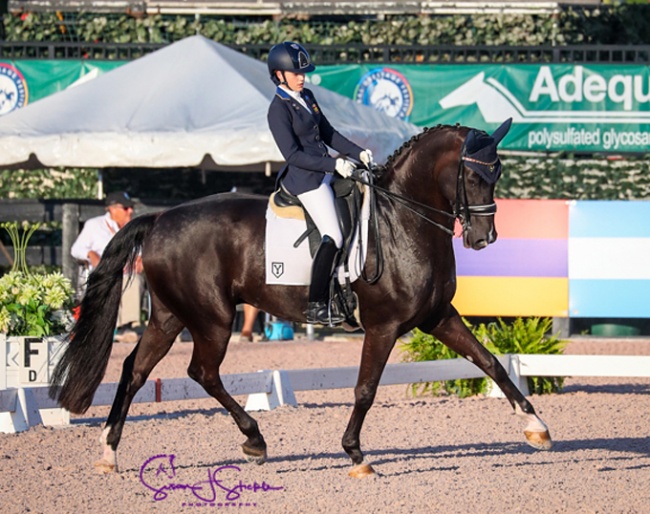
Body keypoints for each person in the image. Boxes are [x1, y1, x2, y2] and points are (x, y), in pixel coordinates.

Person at [266, 41, 373, 325]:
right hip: (306, 180)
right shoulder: (277, 110)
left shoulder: (307, 96)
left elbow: (328, 133)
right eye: (295, 73)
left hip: (326, 170)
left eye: (303, 73)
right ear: (279, 75)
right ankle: (316, 304)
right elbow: (292, 155)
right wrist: (334, 163)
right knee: (333, 235)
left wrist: (356, 152)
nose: (302, 77)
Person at [71, 191, 143, 342]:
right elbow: (75, 250)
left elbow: (139, 252)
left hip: (125, 273)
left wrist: (139, 260)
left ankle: (126, 327)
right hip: (102, 272)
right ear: (113, 209)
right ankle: (108, 328)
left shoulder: (131, 228)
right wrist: (90, 253)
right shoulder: (94, 225)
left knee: (133, 280)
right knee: (110, 281)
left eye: (130, 208)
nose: (130, 211)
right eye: (126, 208)